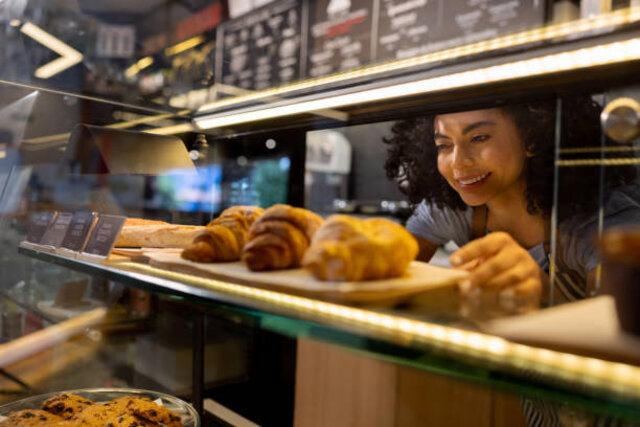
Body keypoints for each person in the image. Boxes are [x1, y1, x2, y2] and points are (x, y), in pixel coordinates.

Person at [384, 96, 639, 303]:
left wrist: (543, 292)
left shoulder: (605, 222)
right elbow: (386, 274)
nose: (458, 162)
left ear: (531, 139)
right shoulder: (451, 209)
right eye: (444, 146)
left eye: (478, 138)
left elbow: (614, 333)